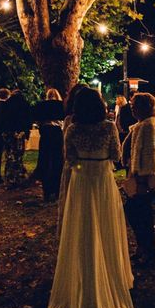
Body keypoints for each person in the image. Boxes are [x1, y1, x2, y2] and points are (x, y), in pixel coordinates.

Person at [30, 88, 134, 308]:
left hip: (81, 185)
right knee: (105, 232)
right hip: (102, 184)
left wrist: (82, 169)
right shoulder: (109, 127)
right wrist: (98, 166)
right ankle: (110, 278)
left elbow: (70, 158)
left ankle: (86, 277)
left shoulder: (72, 128)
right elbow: (117, 156)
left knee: (82, 234)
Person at [124, 93, 155, 264]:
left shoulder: (147, 126)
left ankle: (148, 251)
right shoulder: (142, 125)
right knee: (137, 213)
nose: (132, 108)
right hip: (138, 175)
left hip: (142, 178)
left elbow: (149, 154)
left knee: (140, 214)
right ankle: (143, 247)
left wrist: (141, 180)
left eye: (135, 105)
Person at [57, 84, 89, 237]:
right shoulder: (70, 120)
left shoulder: (71, 121)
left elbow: (66, 148)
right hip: (79, 165)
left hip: (77, 165)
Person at [32, 88, 65, 202]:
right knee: (57, 161)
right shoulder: (61, 105)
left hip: (46, 134)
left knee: (45, 160)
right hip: (57, 134)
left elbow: (36, 119)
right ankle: (56, 190)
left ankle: (46, 190)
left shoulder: (41, 105)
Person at [1, 90, 31, 187]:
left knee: (10, 156)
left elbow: (3, 120)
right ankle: (19, 177)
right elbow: (27, 120)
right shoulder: (24, 105)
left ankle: (10, 178)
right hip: (19, 133)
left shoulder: (6, 105)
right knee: (18, 156)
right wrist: (25, 132)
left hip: (9, 133)